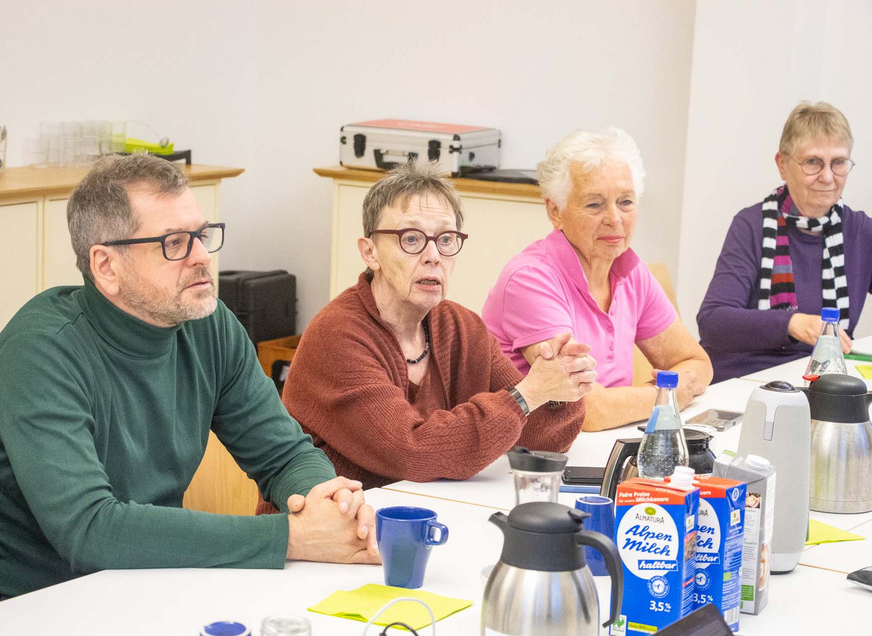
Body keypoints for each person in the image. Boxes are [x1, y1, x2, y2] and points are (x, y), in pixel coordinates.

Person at [0, 154, 378, 605]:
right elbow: (89, 530)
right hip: (11, 605)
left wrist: (333, 506)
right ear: (106, 267)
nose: (203, 257)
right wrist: (290, 537)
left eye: (202, 236)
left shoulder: (207, 323)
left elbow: (282, 455)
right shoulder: (40, 351)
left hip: (142, 582)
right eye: (174, 243)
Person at [276, 161, 593, 493]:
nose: (433, 255)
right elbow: (412, 450)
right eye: (411, 239)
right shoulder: (336, 335)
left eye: (445, 239)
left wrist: (561, 384)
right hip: (328, 529)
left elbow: (538, 438)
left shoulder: (463, 327)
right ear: (370, 253)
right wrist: (529, 393)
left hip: (424, 513)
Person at [482, 128, 712, 432]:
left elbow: (697, 363)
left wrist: (647, 397)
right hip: (530, 460)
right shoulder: (530, 279)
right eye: (594, 204)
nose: (614, 219)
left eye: (626, 202)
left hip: (607, 445)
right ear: (555, 211)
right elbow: (586, 410)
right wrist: (665, 395)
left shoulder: (631, 271)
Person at [698, 101, 872, 381]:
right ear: (782, 165)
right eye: (813, 162)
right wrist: (792, 323)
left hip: (820, 383)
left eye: (838, 162)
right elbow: (713, 321)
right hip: (746, 380)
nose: (827, 177)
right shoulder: (751, 225)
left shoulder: (860, 230)